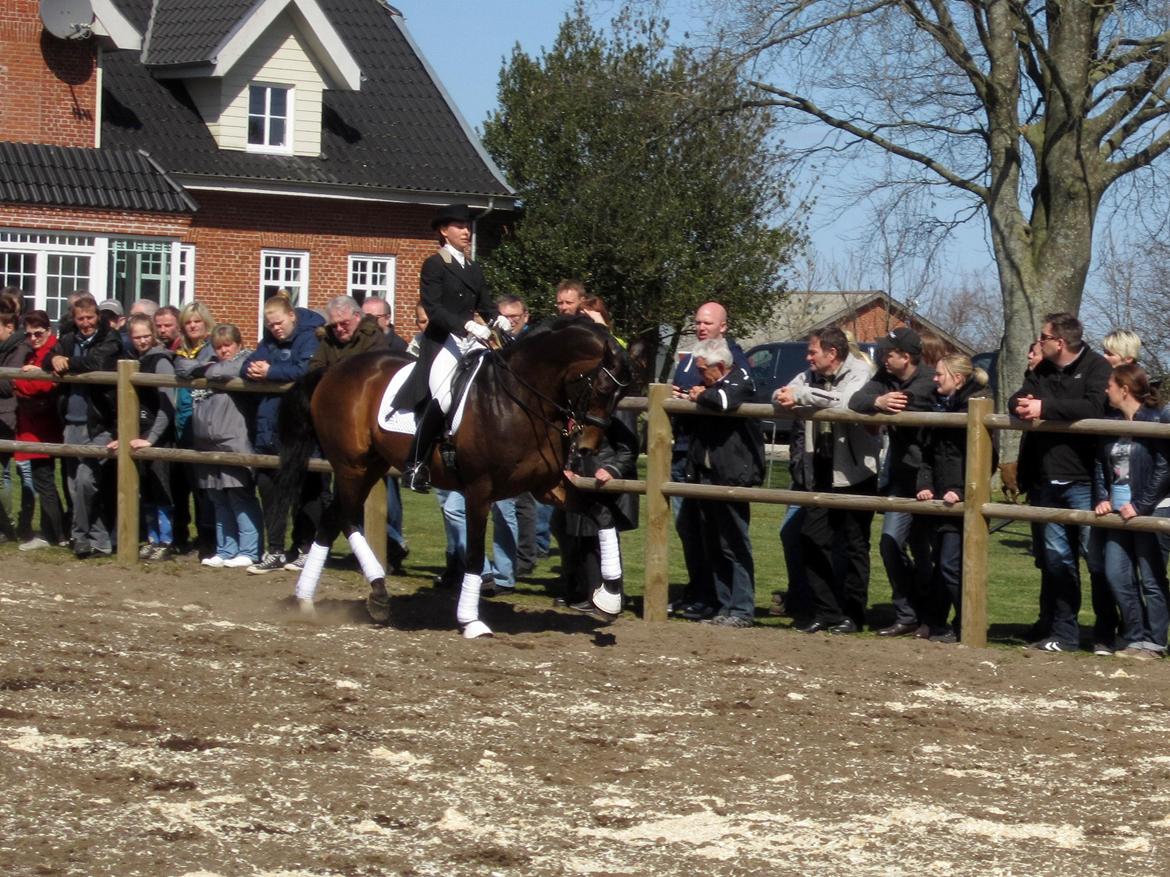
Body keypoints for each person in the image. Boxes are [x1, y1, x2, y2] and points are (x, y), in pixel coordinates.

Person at [1009, 311, 1111, 652]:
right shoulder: (1043, 370)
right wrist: (1022, 406)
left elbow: (1095, 406)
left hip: (1084, 479)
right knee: (1057, 561)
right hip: (1046, 479)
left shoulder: (1097, 367)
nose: (1038, 343)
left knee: (1095, 560)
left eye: (1043, 337)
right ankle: (1064, 634)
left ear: (1059, 342)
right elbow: (1020, 397)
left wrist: (1046, 407)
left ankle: (1104, 633)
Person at [393, 203, 509, 493]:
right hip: (443, 341)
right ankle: (415, 463)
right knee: (445, 398)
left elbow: (485, 304)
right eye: (460, 226)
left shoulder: (472, 266)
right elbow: (433, 308)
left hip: (470, 342)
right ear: (444, 231)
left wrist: (500, 320)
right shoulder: (435, 264)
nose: (466, 231)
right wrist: (467, 325)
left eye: (468, 226)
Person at [774, 326, 880, 634]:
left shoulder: (862, 372)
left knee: (854, 544)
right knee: (811, 536)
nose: (807, 358)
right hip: (818, 468)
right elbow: (780, 394)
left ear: (832, 354)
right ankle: (826, 611)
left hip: (855, 471)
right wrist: (789, 396)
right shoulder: (809, 374)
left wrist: (803, 396)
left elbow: (847, 403)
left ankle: (853, 614)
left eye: (812, 352)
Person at [849, 327, 937, 638]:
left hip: (929, 477)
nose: (884, 357)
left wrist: (886, 401)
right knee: (890, 543)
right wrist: (878, 401)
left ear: (908, 357)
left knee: (926, 551)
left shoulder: (929, 379)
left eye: (890, 352)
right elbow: (856, 400)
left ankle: (929, 617)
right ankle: (907, 612)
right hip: (900, 477)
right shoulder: (885, 379)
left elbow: (908, 401)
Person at [669, 301, 750, 620]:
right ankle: (703, 594)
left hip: (721, 460)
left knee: (727, 537)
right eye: (698, 322)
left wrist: (698, 394)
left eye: (708, 322)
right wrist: (685, 395)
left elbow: (728, 392)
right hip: (687, 456)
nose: (701, 327)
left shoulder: (734, 356)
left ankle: (734, 604)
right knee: (691, 531)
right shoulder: (688, 359)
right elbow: (685, 390)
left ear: (723, 326)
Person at [242, 294, 328, 574]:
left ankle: (305, 549)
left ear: (292, 315)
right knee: (268, 490)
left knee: (306, 492)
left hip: (299, 427)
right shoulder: (268, 343)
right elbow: (249, 363)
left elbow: (307, 369)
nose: (275, 329)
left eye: (278, 323)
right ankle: (275, 549)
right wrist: (253, 369)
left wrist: (271, 371)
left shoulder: (310, 337)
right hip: (268, 428)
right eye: (270, 325)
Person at [683, 337, 766, 627]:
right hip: (707, 474)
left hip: (732, 474)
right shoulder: (712, 383)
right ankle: (723, 606)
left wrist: (699, 395)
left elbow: (724, 401)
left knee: (735, 542)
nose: (699, 375)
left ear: (720, 367)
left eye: (703, 369)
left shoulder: (741, 379)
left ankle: (742, 610)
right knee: (713, 543)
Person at [1092, 364, 1170, 660]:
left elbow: (1164, 468)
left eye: (1110, 384)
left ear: (1124, 388)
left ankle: (1155, 642)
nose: (1106, 390)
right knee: (1117, 573)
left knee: (1151, 577)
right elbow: (1100, 464)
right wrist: (1102, 496)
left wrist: (1141, 505)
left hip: (1151, 510)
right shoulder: (1110, 422)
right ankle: (1134, 637)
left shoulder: (1156, 419)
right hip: (1118, 512)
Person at [915, 354, 991, 642]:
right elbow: (927, 452)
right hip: (940, 495)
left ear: (957, 379)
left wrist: (960, 489)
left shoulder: (977, 407)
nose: (934, 379)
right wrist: (925, 483)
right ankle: (937, 622)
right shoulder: (937, 406)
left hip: (962, 497)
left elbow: (983, 459)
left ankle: (967, 623)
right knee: (942, 562)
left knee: (950, 563)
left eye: (940, 375)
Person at [49, 294, 122, 558]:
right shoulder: (69, 338)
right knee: (74, 485)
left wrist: (67, 362)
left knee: (85, 481)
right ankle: (99, 540)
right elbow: (49, 357)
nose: (86, 323)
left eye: (90, 317)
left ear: (98, 316)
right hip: (71, 423)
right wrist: (55, 359)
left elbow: (98, 363)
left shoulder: (110, 339)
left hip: (99, 424)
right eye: (81, 319)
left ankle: (79, 536)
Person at [189, 324, 263, 568]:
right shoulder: (210, 362)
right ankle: (225, 549)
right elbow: (183, 367)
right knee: (217, 497)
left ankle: (249, 550)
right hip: (207, 442)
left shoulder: (246, 362)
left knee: (239, 495)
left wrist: (206, 370)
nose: (223, 351)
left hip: (234, 440)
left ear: (238, 344)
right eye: (218, 347)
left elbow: (231, 369)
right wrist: (207, 368)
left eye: (227, 346)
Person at [109, 314, 176, 560]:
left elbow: (168, 403)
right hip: (139, 434)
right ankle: (152, 538)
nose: (142, 341)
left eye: (146, 335)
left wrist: (153, 438)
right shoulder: (135, 361)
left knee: (161, 487)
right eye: (137, 337)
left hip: (157, 434)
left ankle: (166, 541)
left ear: (153, 334)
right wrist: (125, 435)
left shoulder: (160, 361)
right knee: (145, 488)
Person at [360, 294, 409, 571]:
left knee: (389, 495)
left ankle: (393, 546)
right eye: (364, 317)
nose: (369, 323)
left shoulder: (397, 348)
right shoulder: (363, 345)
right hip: (368, 428)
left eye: (374, 318)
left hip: (392, 427)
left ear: (387, 319)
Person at [13, 310, 65, 550]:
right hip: (35, 425)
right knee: (46, 481)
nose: (33, 338)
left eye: (38, 333)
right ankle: (58, 531)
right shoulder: (36, 353)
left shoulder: (51, 353)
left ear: (49, 331)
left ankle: (52, 534)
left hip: (43, 427)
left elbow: (42, 386)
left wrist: (22, 382)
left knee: (46, 482)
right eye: (30, 334)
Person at [172, 301, 219, 557]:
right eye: (188, 322)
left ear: (205, 323)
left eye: (196, 321)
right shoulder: (182, 352)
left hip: (206, 421)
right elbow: (182, 369)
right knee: (187, 483)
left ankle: (209, 538)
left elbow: (217, 368)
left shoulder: (212, 347)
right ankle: (192, 535)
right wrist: (202, 369)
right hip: (184, 422)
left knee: (206, 486)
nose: (192, 326)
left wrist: (201, 369)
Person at [308, 295, 393, 372]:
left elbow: (374, 370)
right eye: (334, 325)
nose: (339, 329)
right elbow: (315, 366)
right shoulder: (329, 337)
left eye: (344, 323)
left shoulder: (372, 336)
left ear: (357, 316)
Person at [0, 310, 26, 542]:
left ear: (9, 326)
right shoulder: (7, 348)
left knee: (6, 475)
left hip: (7, 415)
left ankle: (6, 526)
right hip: (4, 414)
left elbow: (10, 383)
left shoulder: (18, 348)